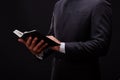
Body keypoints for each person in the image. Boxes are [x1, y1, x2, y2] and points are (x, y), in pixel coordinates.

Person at [18, 0, 112, 80]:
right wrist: (38, 50)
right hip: (57, 75)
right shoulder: (59, 4)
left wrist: (61, 46)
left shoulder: (99, 4)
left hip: (84, 75)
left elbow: (101, 45)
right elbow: (53, 38)